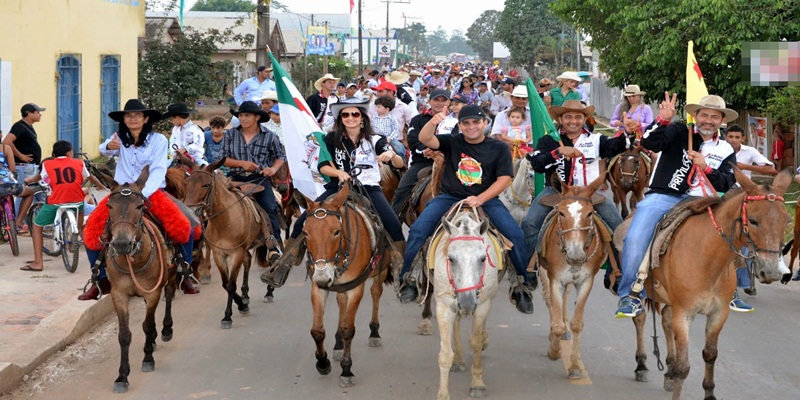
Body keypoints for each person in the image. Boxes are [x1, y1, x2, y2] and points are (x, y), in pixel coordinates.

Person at [397, 105, 535, 314]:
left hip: (486, 199)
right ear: (460, 125)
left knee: (514, 234)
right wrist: (434, 121)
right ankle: (410, 278)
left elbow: (504, 178)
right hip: (449, 197)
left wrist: (481, 198)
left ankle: (520, 284)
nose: (471, 127)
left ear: (485, 124)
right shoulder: (453, 141)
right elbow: (427, 139)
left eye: (476, 122)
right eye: (466, 123)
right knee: (417, 231)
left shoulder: (498, 148)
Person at [615, 94, 737, 318]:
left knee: (740, 228)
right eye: (704, 115)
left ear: (721, 121)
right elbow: (650, 143)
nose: (708, 120)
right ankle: (630, 295)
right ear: (695, 116)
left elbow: (728, 182)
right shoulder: (678, 131)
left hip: (705, 200)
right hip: (664, 195)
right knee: (635, 237)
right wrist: (662, 120)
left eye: (714, 117)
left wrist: (706, 168)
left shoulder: (726, 149)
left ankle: (732, 288)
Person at [80, 99, 201, 300]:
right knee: (91, 231)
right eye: (129, 116)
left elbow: (158, 170)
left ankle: (183, 273)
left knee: (185, 227)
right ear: (124, 120)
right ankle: (99, 280)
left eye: (137, 115)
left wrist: (142, 195)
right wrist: (108, 145)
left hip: (150, 191)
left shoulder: (159, 141)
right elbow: (104, 149)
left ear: (145, 119)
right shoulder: (119, 138)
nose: (133, 118)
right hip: (120, 193)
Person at [274, 99, 406, 273]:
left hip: (368, 188)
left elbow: (398, 164)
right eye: (346, 114)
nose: (350, 118)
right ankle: (286, 262)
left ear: (362, 118)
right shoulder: (330, 139)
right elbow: (323, 167)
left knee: (393, 224)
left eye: (355, 114)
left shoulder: (375, 139)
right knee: (305, 218)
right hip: (337, 188)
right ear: (340, 118)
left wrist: (391, 154)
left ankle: (400, 268)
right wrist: (338, 173)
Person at [523, 100, 628, 277]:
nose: (574, 121)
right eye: (569, 117)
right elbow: (537, 164)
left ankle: (616, 271)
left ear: (584, 119)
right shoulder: (549, 140)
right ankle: (529, 268)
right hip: (558, 192)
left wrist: (628, 132)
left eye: (578, 117)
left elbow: (616, 147)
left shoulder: (596, 140)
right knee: (529, 223)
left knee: (618, 227)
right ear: (561, 119)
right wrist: (558, 153)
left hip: (589, 193)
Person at [21, 141, 106, 272]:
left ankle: (38, 262)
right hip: (77, 203)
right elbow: (91, 177)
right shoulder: (79, 162)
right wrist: (101, 187)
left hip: (55, 203)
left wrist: (29, 180)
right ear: (69, 153)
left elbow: (39, 177)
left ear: (54, 154)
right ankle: (97, 258)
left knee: (37, 225)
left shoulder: (47, 164)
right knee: (80, 228)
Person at [222, 101, 285, 255]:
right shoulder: (230, 134)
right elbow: (222, 158)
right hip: (233, 178)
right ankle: (212, 242)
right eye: (241, 115)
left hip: (259, 178)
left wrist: (273, 169)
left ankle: (273, 245)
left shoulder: (269, 136)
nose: (242, 118)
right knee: (213, 205)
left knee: (270, 207)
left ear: (257, 117)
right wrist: (241, 163)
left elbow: (280, 156)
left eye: (247, 115)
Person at [725, 124, 776, 312]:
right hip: (719, 191)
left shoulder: (750, 151)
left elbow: (772, 169)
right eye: (730, 136)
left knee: (745, 235)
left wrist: (741, 167)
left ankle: (741, 282)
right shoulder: (719, 148)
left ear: (743, 139)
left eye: (737, 137)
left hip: (742, 193)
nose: (733, 140)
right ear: (726, 137)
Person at [390, 89, 451, 216]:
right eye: (436, 100)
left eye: (443, 100)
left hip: (449, 162)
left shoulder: (455, 122)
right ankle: (393, 226)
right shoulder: (418, 119)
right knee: (402, 190)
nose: (439, 103)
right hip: (422, 162)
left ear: (449, 102)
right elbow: (412, 139)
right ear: (430, 101)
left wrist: (441, 153)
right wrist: (425, 150)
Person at [3, 103, 44, 212]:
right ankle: (17, 222)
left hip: (31, 166)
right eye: (37, 112)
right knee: (23, 193)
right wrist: (21, 155)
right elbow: (7, 141)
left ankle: (35, 219)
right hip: (24, 167)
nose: (40, 115)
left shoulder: (28, 127)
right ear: (29, 114)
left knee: (38, 193)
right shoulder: (19, 126)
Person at [0, 143, 35, 236]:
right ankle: (18, 222)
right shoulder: (5, 148)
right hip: (8, 185)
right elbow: (12, 169)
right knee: (30, 193)